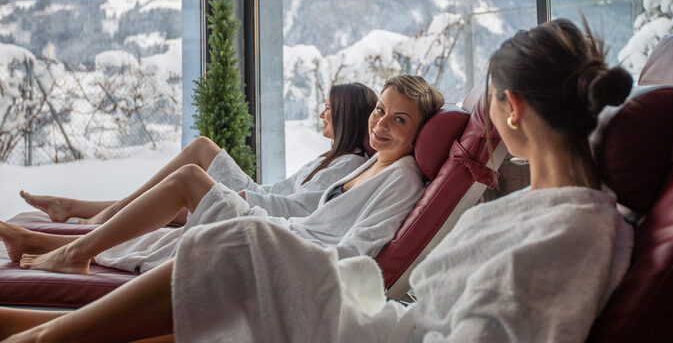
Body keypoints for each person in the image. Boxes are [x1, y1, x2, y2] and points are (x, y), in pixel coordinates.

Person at [0, 20, 634, 343]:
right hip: (380, 313)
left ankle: (40, 336)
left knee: (244, 244)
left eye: (490, 105)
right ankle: (30, 326)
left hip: (380, 331)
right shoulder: (561, 215)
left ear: (514, 107)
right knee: (243, 250)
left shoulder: (568, 233)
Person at [0, 74, 443, 275]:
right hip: (280, 226)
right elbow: (304, 208)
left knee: (190, 177)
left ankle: (76, 247)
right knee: (174, 232)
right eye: (381, 111)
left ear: (419, 131)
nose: (381, 124)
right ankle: (50, 243)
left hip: (289, 247)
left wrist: (268, 223)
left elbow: (356, 254)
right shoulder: (373, 163)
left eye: (399, 120)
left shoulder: (401, 179)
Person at [18, 82, 378, 224]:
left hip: (259, 209)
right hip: (259, 196)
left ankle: (94, 213)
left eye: (328, 107)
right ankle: (84, 209)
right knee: (197, 160)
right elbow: (284, 191)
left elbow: (302, 208)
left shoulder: (347, 165)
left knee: (196, 163)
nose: (322, 113)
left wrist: (243, 195)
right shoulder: (329, 157)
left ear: (346, 115)